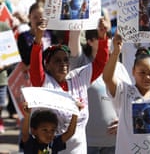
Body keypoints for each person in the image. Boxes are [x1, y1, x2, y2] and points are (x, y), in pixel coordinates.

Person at [29, 19, 109, 153]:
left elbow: (100, 63)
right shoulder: (44, 83)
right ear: (47, 65)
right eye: (57, 61)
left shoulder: (79, 77)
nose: (63, 64)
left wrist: (102, 37)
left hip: (79, 149)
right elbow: (35, 67)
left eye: (66, 59)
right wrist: (38, 38)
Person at [68, 14, 129, 154]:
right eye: (100, 36)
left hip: (114, 142)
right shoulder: (81, 64)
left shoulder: (119, 67)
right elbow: (73, 37)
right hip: (88, 142)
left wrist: (124, 121)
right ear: (89, 41)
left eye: (107, 36)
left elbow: (129, 99)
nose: (106, 40)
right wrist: (79, 14)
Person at [0, 21, 11, 133]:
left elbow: (11, 52)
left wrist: (3, 65)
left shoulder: (4, 27)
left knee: (0, 104)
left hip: (1, 76)